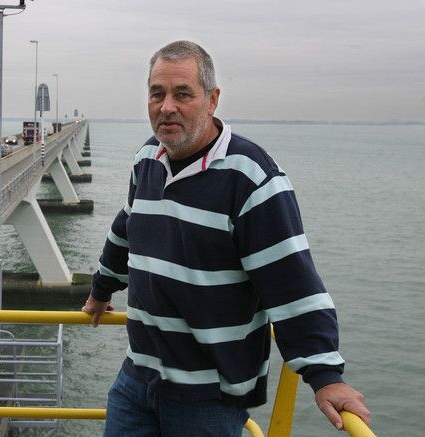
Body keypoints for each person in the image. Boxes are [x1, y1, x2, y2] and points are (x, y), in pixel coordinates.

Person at [82, 40, 371, 436]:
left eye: (183, 94)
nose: (167, 106)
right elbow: (128, 227)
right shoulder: (147, 159)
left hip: (209, 398)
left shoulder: (250, 178)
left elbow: (290, 281)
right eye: (157, 93)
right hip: (137, 380)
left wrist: (325, 375)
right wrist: (101, 290)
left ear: (212, 99)